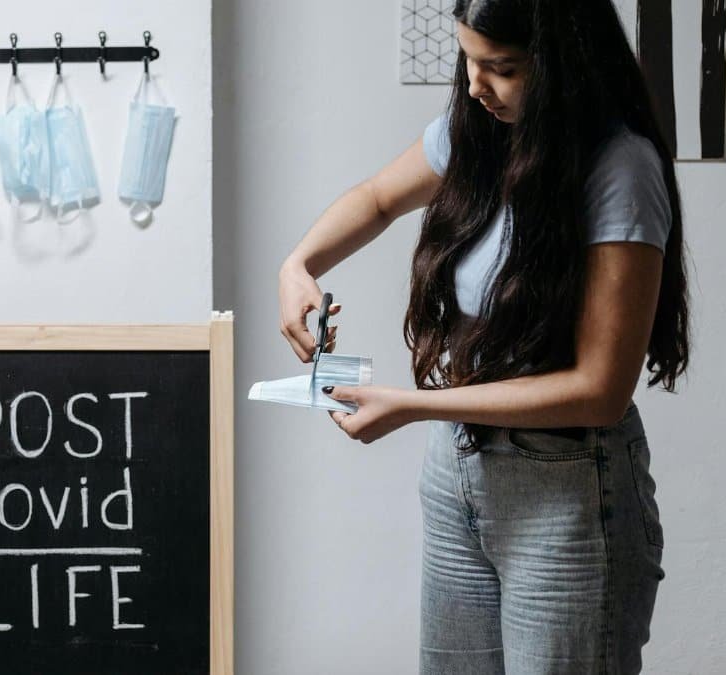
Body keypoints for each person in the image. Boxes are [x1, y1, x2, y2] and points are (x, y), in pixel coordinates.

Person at [277, 0, 688, 672]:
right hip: (458, 473)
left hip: (569, 492)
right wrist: (298, 265)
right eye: (469, 58)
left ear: (564, 68)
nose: (476, 84)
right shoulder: (475, 130)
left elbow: (600, 391)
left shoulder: (620, 169)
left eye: (503, 68)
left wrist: (415, 405)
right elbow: (379, 198)